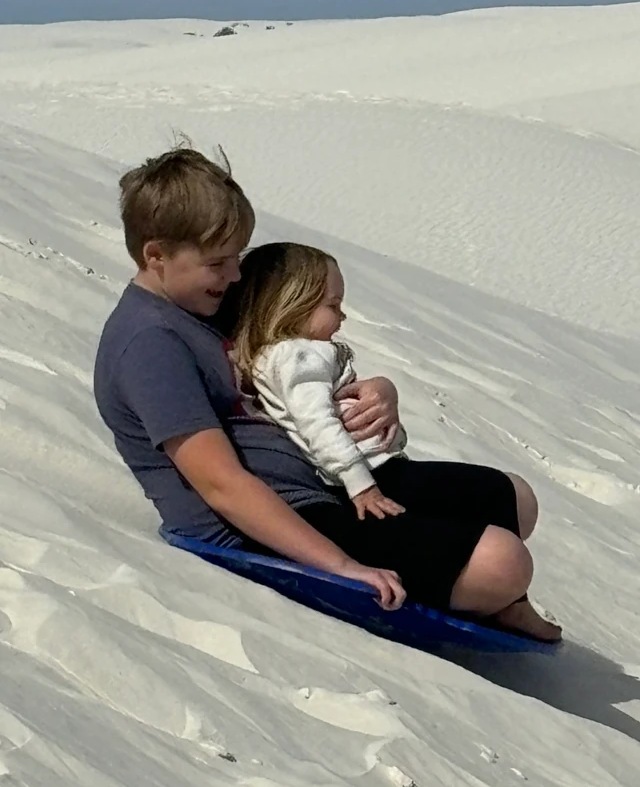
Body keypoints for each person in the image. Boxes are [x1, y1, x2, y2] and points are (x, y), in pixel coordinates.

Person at [92, 145, 561, 641]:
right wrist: (339, 565)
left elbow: (294, 362)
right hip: (274, 523)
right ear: (156, 256)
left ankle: (476, 586)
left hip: (324, 481)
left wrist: (381, 391)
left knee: (515, 500)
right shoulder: (150, 345)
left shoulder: (200, 307)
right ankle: (485, 589)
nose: (235, 276)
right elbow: (221, 485)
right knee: (503, 562)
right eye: (219, 263)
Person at [214, 241, 560, 640]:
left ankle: (508, 600)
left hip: (374, 471)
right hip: (367, 479)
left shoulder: (292, 355)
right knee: (498, 524)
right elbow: (320, 425)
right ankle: (496, 595)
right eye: (332, 304)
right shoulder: (297, 356)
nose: (341, 316)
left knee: (506, 495)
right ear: (293, 303)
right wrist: (361, 484)